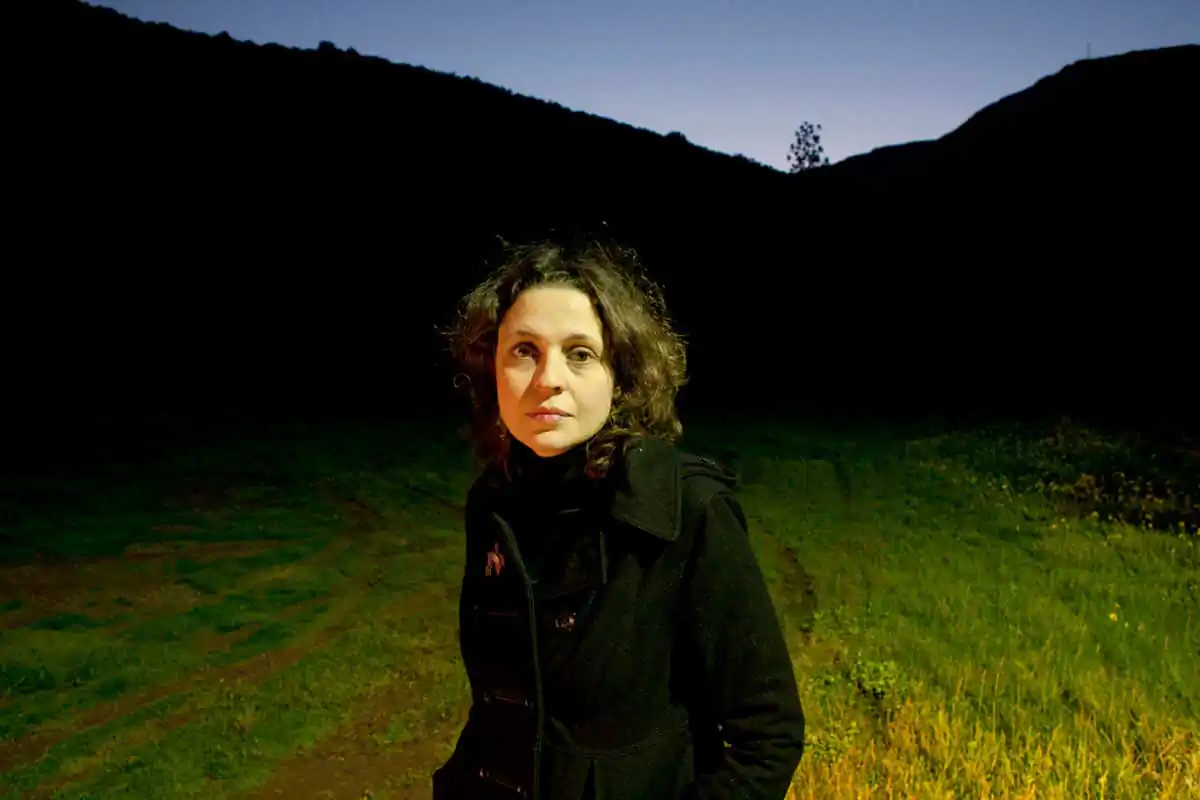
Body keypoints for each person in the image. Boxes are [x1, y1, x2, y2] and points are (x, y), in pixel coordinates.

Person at [435, 239, 804, 799]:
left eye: (580, 353)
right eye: (524, 351)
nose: (548, 378)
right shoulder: (494, 502)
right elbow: (501, 708)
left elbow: (768, 737)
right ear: (492, 368)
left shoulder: (687, 511)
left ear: (621, 373)